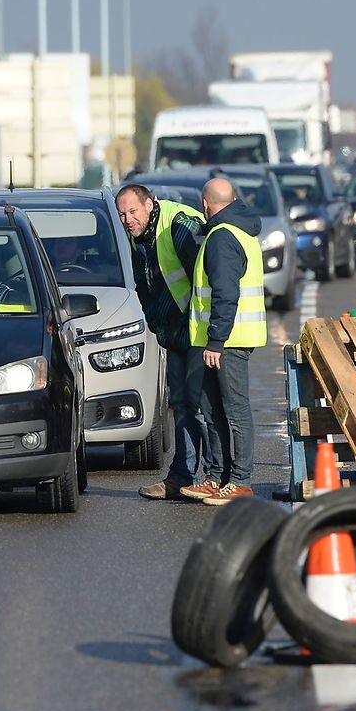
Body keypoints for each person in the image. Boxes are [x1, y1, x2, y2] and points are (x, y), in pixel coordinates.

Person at [116, 183, 211, 500]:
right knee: (182, 405)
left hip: (200, 330)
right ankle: (181, 477)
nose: (128, 219)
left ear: (148, 204)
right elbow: (144, 285)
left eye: (133, 211)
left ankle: (213, 476)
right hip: (174, 332)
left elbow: (207, 277)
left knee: (202, 407)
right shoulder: (137, 237)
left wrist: (213, 333)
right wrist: (154, 323)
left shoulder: (179, 224)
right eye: (122, 214)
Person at [179, 178, 267, 506]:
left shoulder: (222, 237)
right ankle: (218, 478)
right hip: (218, 340)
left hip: (228, 341)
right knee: (212, 407)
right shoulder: (237, 230)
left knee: (233, 408)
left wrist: (216, 340)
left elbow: (226, 293)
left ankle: (240, 482)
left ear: (205, 204)